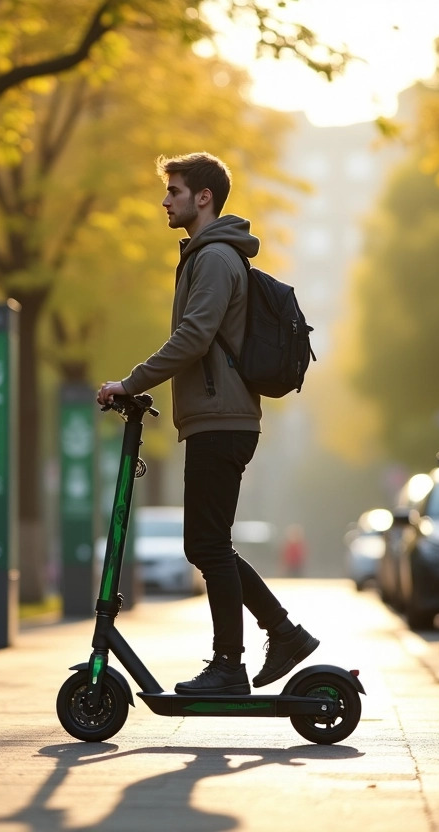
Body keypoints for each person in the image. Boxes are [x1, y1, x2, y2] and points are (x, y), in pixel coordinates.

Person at [96, 152, 318, 696]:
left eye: (173, 190)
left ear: (203, 198)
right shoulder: (204, 255)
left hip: (223, 419)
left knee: (208, 545)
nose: (164, 199)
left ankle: (232, 664)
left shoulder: (215, 257)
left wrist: (133, 382)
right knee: (208, 544)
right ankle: (279, 634)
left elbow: (195, 336)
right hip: (216, 417)